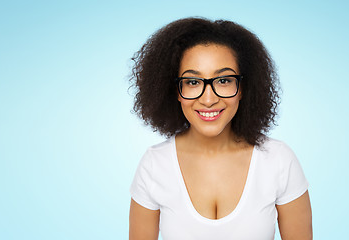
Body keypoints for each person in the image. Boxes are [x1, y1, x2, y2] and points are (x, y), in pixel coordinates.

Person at [128, 17, 312, 240]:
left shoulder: (279, 160)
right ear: (176, 90)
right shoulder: (154, 165)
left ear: (242, 87)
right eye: (193, 82)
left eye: (223, 81)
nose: (208, 99)